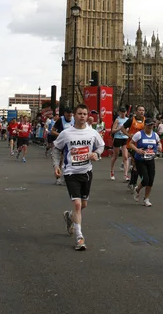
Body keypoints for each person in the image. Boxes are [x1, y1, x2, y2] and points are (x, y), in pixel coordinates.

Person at [52, 104, 104, 250]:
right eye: (79, 113)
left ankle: (69, 217)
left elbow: (101, 146)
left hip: (86, 172)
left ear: (88, 116)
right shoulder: (66, 133)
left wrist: (96, 154)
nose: (82, 116)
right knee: (77, 204)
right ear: (74, 115)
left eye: (85, 114)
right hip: (70, 172)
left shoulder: (92, 133)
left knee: (83, 205)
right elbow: (56, 149)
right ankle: (79, 238)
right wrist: (56, 166)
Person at [128, 118, 161, 207]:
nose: (150, 127)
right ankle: (137, 189)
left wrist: (160, 146)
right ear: (145, 125)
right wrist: (137, 150)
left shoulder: (155, 135)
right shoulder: (139, 134)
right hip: (140, 160)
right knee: (145, 180)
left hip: (150, 160)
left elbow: (159, 143)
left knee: (151, 181)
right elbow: (130, 143)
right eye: (149, 125)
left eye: (152, 125)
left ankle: (146, 199)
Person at [122, 105, 146, 190]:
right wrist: (129, 135)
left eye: (143, 110)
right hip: (131, 144)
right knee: (136, 162)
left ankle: (132, 182)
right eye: (139, 110)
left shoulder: (145, 120)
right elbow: (122, 128)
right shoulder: (132, 119)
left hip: (141, 145)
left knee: (136, 164)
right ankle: (133, 183)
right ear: (136, 111)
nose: (141, 112)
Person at [110, 107, 130, 181]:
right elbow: (113, 131)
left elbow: (129, 129)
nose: (123, 113)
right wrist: (120, 128)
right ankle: (112, 171)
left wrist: (127, 131)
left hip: (125, 138)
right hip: (118, 138)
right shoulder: (117, 120)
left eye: (124, 112)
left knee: (125, 157)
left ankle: (125, 175)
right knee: (115, 156)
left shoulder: (128, 120)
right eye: (122, 112)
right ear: (119, 113)